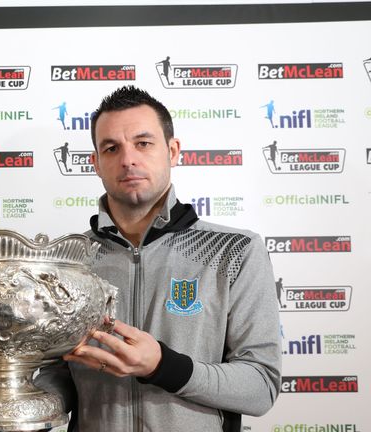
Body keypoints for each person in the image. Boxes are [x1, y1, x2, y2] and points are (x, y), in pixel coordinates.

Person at [35, 85, 281, 432]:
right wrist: (17, 409)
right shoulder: (68, 262)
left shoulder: (235, 250)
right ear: (96, 163)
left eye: (143, 143)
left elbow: (260, 387)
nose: (128, 159)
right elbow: (59, 376)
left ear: (173, 150)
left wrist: (162, 366)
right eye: (111, 148)